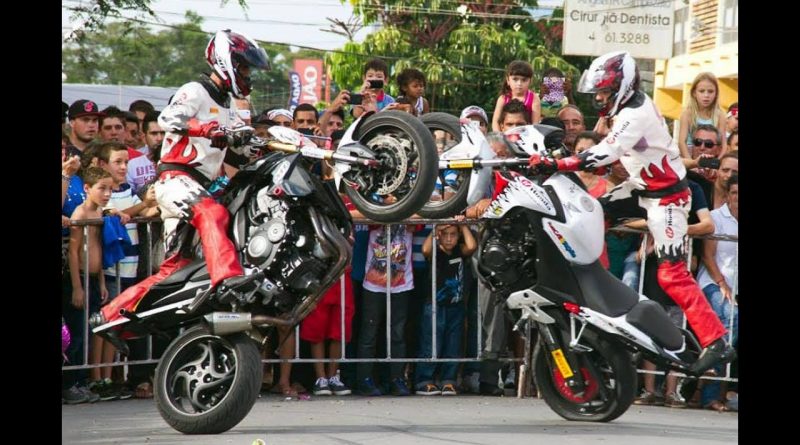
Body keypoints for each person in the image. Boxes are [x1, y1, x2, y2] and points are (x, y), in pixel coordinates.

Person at [527, 51, 735, 375]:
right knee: (589, 212)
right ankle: (591, 290)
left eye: (604, 92)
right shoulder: (627, 107)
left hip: (667, 200)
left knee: (671, 274)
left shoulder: (634, 113)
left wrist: (558, 163)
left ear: (622, 87)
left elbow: (603, 152)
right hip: (642, 189)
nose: (598, 98)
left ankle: (716, 341)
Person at [96, 29, 271, 325]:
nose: (246, 74)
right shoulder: (195, 90)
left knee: (174, 269)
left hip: (198, 186)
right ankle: (228, 279)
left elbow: (230, 153)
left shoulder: (227, 106)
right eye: (243, 67)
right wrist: (207, 129)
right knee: (213, 214)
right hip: (175, 180)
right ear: (225, 60)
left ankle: (108, 315)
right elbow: (167, 119)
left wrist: (250, 145)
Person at [676, 72, 727, 164]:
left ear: (716, 94)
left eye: (710, 91)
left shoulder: (720, 115)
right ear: (694, 93)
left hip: (712, 158)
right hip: (689, 156)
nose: (706, 95)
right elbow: (681, 142)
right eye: (702, 91)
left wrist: (716, 162)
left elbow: (723, 145)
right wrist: (692, 163)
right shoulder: (687, 114)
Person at [492, 60, 540, 131]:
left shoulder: (534, 99)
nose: (519, 83)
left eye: (524, 80)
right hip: (506, 136)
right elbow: (495, 122)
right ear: (508, 80)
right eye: (515, 79)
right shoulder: (503, 99)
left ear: (530, 81)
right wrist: (500, 138)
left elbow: (535, 125)